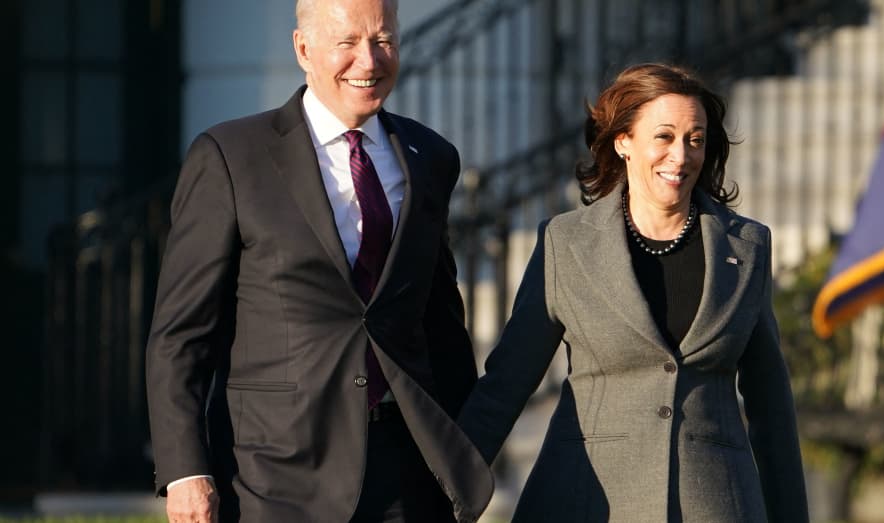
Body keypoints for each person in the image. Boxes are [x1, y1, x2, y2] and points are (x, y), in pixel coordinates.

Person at [145, 0, 493, 521]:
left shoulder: (431, 157)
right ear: (303, 49)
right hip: (274, 475)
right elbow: (181, 334)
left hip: (408, 471)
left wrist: (467, 450)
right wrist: (185, 471)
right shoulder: (231, 156)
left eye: (383, 40)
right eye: (347, 42)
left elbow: (441, 322)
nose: (370, 61)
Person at [457, 63, 809, 522]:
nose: (681, 156)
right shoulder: (566, 243)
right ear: (623, 141)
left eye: (695, 139)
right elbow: (506, 385)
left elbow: (771, 407)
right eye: (664, 137)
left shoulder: (747, 246)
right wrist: (444, 496)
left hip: (715, 503)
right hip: (584, 502)